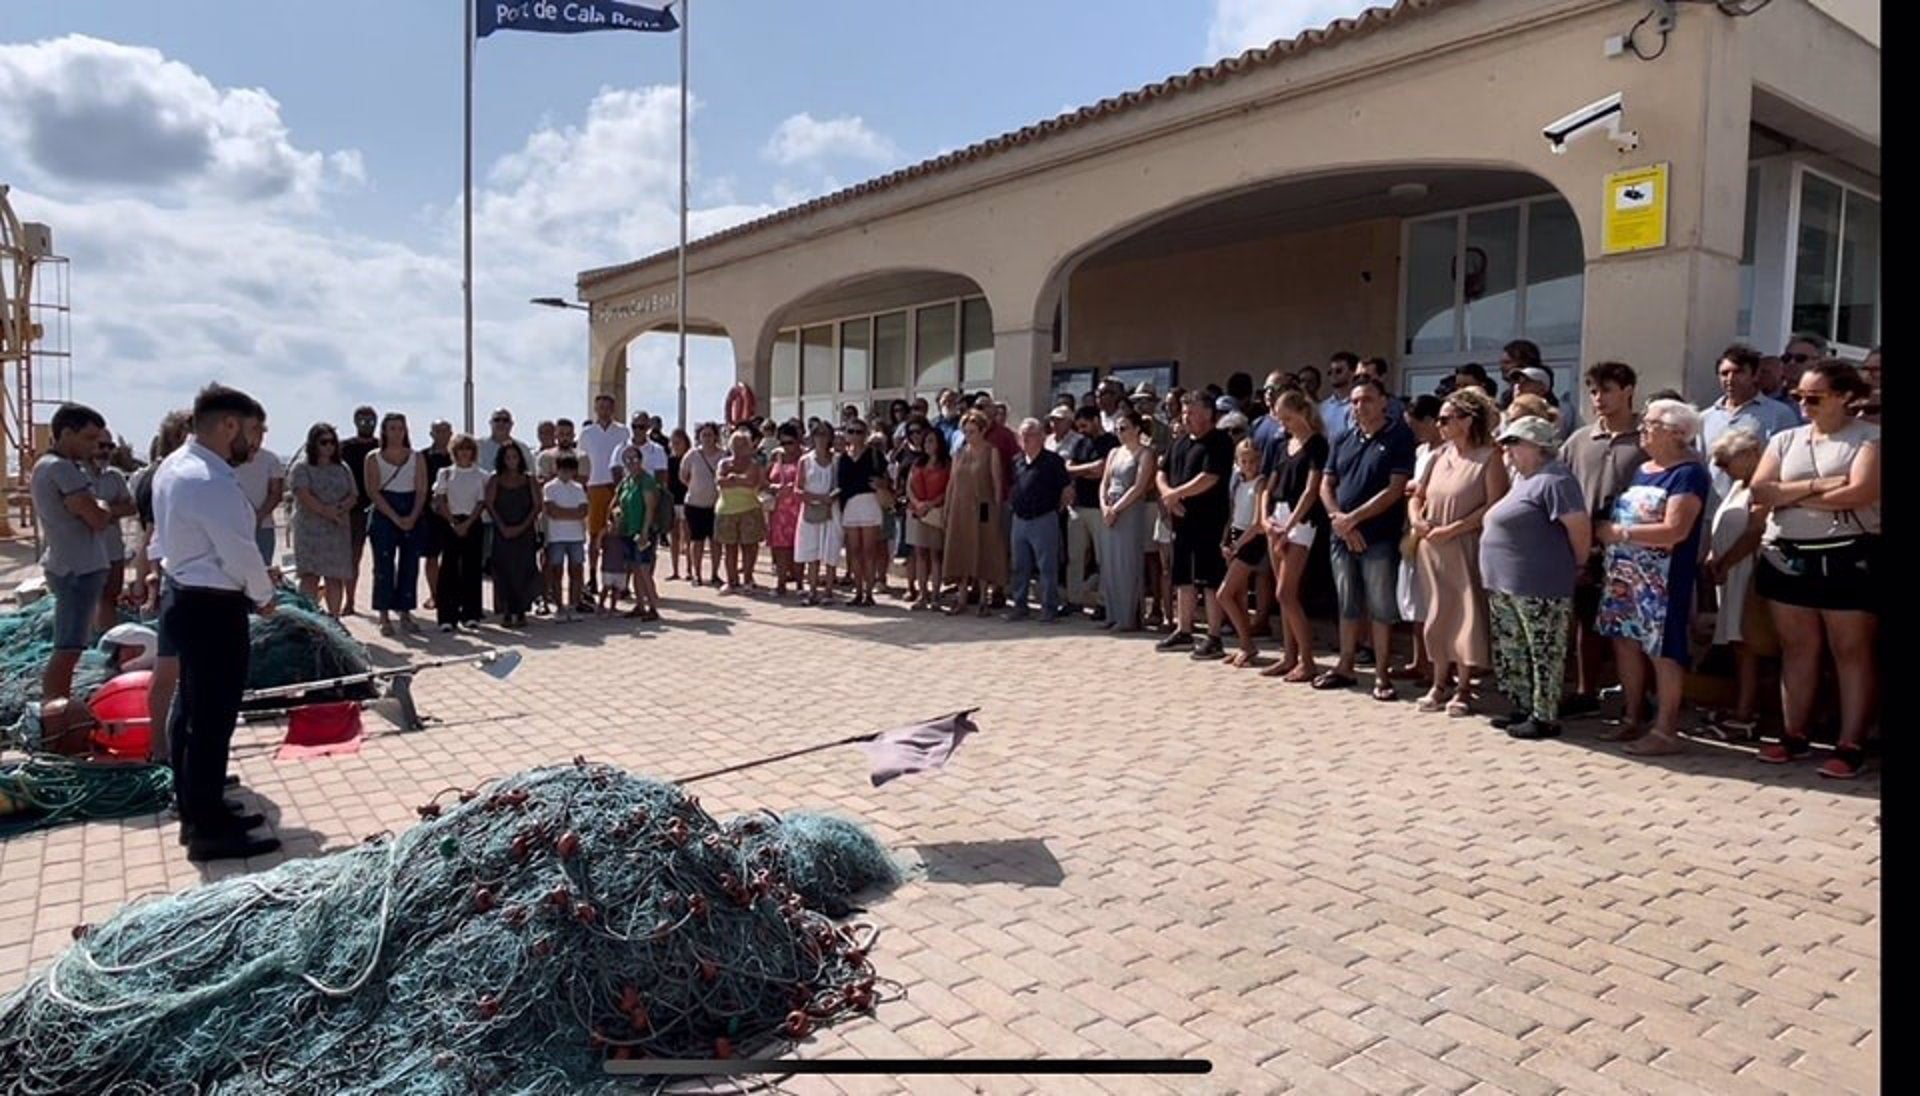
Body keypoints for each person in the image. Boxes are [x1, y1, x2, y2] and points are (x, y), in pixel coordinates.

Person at [151, 384, 279, 861]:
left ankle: (199, 806)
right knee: (211, 720)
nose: (256, 442)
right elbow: (238, 551)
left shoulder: (175, 467)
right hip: (211, 607)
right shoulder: (210, 481)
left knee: (191, 712)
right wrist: (264, 596)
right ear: (228, 426)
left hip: (186, 595)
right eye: (251, 430)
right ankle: (206, 830)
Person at [1750, 360, 1880, 779]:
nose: (1803, 404)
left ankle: (1851, 742)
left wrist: (1789, 496)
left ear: (1844, 396)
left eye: (1814, 397)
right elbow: (1759, 490)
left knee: (1851, 650)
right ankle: (1794, 734)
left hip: (1848, 555)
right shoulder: (1785, 439)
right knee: (1797, 648)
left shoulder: (1870, 439)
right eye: (1799, 396)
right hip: (1787, 553)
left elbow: (1859, 493)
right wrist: (1818, 486)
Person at [1594, 398, 1712, 756]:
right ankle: (1631, 717)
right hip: (1625, 576)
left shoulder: (1688, 474)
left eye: (1651, 424)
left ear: (1677, 433)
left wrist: (1620, 534)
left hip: (1662, 580)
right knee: (1625, 643)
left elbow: (1676, 529)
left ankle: (1666, 729)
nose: (1643, 429)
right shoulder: (1643, 469)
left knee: (1663, 650)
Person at [1480, 416, 1590, 740]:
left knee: (1544, 650)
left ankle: (1544, 716)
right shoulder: (1524, 480)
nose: (1508, 450)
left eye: (1515, 443)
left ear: (1539, 447)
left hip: (1540, 584)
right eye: (1506, 444)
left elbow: (1578, 529)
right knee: (1515, 649)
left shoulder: (1556, 480)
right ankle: (1524, 706)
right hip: (1507, 584)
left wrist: (1579, 565)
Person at [1408, 388, 1509, 716]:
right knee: (1437, 612)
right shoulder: (1438, 455)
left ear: (1467, 420)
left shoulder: (1489, 456)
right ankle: (1439, 681)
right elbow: (1416, 495)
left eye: (1446, 419)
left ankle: (1464, 686)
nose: (1439, 424)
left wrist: (1455, 529)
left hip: (1466, 543)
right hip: (1431, 545)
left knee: (1466, 614)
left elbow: (1494, 505)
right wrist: (1416, 520)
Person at [1315, 377, 1416, 700]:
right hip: (1341, 536)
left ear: (1383, 401)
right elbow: (1326, 484)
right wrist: (1338, 520)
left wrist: (1354, 519)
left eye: (1368, 399)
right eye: (1356, 401)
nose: (1360, 406)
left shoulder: (1399, 436)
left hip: (1379, 537)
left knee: (1380, 607)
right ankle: (1345, 666)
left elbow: (1395, 488)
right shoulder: (1343, 438)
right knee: (1347, 604)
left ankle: (1382, 675)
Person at [1559, 361, 1646, 717]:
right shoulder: (1579, 440)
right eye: (1594, 391)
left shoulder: (1649, 438)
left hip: (1636, 546)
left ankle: (1639, 698)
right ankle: (1585, 692)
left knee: (1634, 627)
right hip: (1588, 544)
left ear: (1628, 390)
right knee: (1587, 620)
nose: (1599, 398)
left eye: (1607, 389)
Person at [32, 403, 112, 714]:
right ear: (66, 433)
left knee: (70, 645)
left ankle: (56, 712)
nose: (94, 446)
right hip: (77, 568)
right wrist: (103, 506)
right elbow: (95, 517)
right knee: (68, 647)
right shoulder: (61, 469)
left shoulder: (45, 466)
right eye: (89, 438)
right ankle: (57, 716)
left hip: (68, 564)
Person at [1698, 426, 1772, 743]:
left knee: (1748, 645)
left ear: (1750, 454)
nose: (1722, 469)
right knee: (1737, 645)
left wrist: (1725, 562)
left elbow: (1754, 532)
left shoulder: (1762, 487)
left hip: (1747, 573)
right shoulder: (1738, 485)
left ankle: (1746, 714)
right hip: (1729, 574)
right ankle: (1739, 706)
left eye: (1727, 461)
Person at [1155, 392, 1236, 658]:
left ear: (1209, 414)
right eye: (1184, 412)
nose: (1185, 417)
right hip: (1180, 520)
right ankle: (1184, 630)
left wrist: (1177, 495)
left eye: (1191, 412)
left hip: (1209, 521)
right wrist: (1168, 494)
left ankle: (1214, 636)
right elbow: (1161, 472)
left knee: (1209, 579)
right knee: (1182, 577)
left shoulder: (1220, 442)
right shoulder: (1179, 442)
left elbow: (1209, 477)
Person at [1256, 392, 1327, 682]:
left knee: (1286, 592)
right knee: (1282, 594)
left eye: (1288, 417)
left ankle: (1307, 659)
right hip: (1278, 516)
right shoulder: (1282, 444)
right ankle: (1289, 656)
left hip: (1302, 521)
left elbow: (1312, 491)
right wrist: (1265, 519)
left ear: (1302, 412)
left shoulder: (1317, 445)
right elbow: (1267, 485)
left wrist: (1290, 525)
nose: (1284, 423)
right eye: (1280, 419)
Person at [1202, 439, 1269, 667]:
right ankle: (1244, 644)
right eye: (1244, 461)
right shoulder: (1238, 483)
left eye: (1253, 460)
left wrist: (1238, 545)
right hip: (1236, 536)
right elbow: (1233, 515)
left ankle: (1249, 645)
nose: (1248, 465)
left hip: (1251, 540)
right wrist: (1225, 542)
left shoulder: (1261, 483)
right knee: (1238, 596)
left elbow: (1257, 522)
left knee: (1224, 594)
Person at [363, 413, 427, 637]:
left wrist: (412, 515)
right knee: (383, 565)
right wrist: (394, 516)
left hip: (411, 508)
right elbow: (373, 491)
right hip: (384, 511)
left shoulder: (416, 457)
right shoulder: (373, 457)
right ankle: (383, 615)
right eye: (392, 428)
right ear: (384, 431)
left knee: (410, 565)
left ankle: (406, 612)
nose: (396, 432)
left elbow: (421, 489)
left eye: (400, 428)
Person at [1395, 395, 1444, 686]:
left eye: (1416, 425)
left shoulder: (1448, 451)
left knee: (1434, 600)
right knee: (1414, 598)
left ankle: (1439, 665)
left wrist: (1416, 487)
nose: (1414, 431)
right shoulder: (1421, 450)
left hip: (1435, 528)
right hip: (1413, 526)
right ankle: (1419, 659)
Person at [1095, 410, 1157, 633]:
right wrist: (1104, 506)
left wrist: (1117, 508)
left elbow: (1139, 487)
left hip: (1129, 510)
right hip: (1110, 508)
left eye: (1124, 428)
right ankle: (1112, 613)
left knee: (1127, 563)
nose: (1119, 433)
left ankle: (1128, 617)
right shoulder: (1113, 452)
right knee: (1110, 563)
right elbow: (1104, 482)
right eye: (1117, 429)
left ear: (1137, 429)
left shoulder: (1145, 453)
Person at [940, 410, 1008, 616]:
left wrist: (996, 511)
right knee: (959, 548)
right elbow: (952, 482)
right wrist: (947, 507)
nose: (968, 435)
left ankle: (982, 600)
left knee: (985, 547)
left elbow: (996, 484)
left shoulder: (991, 451)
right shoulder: (959, 453)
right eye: (965, 431)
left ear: (982, 431)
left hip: (984, 507)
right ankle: (960, 598)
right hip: (960, 507)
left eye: (972, 431)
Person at [1006, 418, 1072, 622]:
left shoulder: (1053, 461)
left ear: (1042, 437)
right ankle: (1020, 605)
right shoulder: (1016, 460)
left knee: (1047, 567)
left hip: (1044, 519)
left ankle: (1049, 608)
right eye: (1023, 434)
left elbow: (1067, 490)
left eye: (1031, 434)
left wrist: (1055, 510)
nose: (1026, 438)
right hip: (1020, 519)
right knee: (1020, 566)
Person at [290, 423, 356, 615]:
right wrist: (326, 511)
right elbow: (303, 494)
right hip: (310, 530)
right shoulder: (302, 467)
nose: (329, 447)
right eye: (324, 442)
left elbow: (353, 494)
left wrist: (340, 509)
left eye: (332, 442)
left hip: (337, 530)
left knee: (334, 577)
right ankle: (308, 618)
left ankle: (334, 618)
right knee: (310, 577)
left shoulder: (342, 467)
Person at [1062, 407, 1118, 618]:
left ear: (1096, 420)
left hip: (1099, 507)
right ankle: (1073, 599)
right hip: (1078, 506)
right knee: (1074, 556)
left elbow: (1103, 472)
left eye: (1085, 425)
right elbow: (1068, 468)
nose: (1082, 430)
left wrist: (1083, 470)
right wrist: (1088, 468)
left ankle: (1103, 602)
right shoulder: (1080, 442)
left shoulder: (1111, 442)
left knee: (1102, 557)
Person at [431, 434, 489, 632]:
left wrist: (467, 524)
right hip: (451, 522)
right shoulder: (445, 473)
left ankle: (471, 614)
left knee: (472, 570)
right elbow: (440, 500)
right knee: (448, 569)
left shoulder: (481, 475)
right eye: (461, 449)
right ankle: (447, 616)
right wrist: (453, 522)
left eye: (468, 449)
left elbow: (482, 502)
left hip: (472, 522)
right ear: (454, 452)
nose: (465, 453)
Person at [484, 442, 540, 628]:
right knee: (503, 572)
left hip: (525, 531)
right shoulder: (495, 479)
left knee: (524, 571)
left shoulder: (529, 479)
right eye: (507, 457)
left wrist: (523, 526)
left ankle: (522, 611)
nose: (511, 461)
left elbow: (537, 505)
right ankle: (507, 611)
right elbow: (490, 504)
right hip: (502, 532)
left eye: (514, 457)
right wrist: (503, 527)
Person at [580, 394, 631, 593]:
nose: (604, 410)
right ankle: (592, 577)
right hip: (594, 486)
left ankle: (621, 581)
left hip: (617, 486)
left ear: (613, 408)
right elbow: (582, 461)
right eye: (600, 406)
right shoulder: (587, 433)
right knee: (594, 535)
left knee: (619, 534)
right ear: (595, 408)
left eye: (607, 406)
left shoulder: (623, 431)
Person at [87, 435, 136, 634]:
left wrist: (104, 512)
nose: (105, 451)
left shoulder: (115, 476)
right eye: (101, 446)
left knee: (110, 596)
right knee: (88, 599)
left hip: (113, 549)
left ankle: (104, 639)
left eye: (110, 446)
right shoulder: (75, 475)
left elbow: (131, 507)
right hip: (86, 550)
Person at [835, 421, 887, 606]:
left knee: (869, 550)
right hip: (850, 505)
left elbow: (885, 479)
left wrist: (881, 485)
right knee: (854, 550)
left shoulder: (875, 455)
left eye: (859, 432)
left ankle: (869, 593)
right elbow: (840, 485)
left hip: (869, 502)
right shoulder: (842, 458)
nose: (855, 435)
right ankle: (858, 591)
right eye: (851, 431)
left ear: (865, 434)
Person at [794, 422, 845, 606]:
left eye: (825, 434)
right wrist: (817, 498)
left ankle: (829, 591)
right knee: (811, 551)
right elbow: (797, 489)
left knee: (831, 550)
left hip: (832, 510)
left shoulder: (837, 459)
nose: (821, 438)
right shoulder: (805, 460)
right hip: (810, 510)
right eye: (818, 434)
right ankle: (813, 591)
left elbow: (841, 484)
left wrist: (830, 497)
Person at [613, 445, 665, 621]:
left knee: (644, 569)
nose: (631, 462)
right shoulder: (626, 481)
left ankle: (653, 607)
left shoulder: (646, 480)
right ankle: (640, 605)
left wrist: (644, 531)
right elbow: (618, 502)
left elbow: (650, 508)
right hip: (628, 530)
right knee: (634, 569)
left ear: (641, 460)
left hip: (643, 532)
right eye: (627, 459)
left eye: (634, 459)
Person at [715, 427, 768, 592]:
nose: (739, 448)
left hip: (749, 509)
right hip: (726, 510)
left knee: (749, 547)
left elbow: (752, 482)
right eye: (736, 445)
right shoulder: (724, 463)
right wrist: (739, 480)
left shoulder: (754, 464)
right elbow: (720, 481)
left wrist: (734, 478)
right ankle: (731, 581)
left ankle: (748, 579)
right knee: (729, 548)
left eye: (743, 445)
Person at [339, 406, 380, 615]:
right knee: (352, 557)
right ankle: (350, 601)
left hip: (381, 508)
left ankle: (383, 603)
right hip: (354, 510)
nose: (367, 424)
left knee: (382, 559)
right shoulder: (344, 447)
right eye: (363, 420)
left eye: (370, 420)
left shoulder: (382, 446)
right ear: (355, 421)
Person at [907, 423, 952, 611]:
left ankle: (935, 595)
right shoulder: (917, 463)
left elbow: (949, 488)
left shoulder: (946, 464)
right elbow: (908, 486)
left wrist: (931, 504)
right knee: (920, 554)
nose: (927, 444)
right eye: (926, 441)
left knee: (935, 554)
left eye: (931, 440)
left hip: (935, 513)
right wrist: (917, 503)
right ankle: (922, 594)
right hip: (916, 512)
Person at [543, 454, 590, 622]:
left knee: (576, 571)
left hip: (576, 536)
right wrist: (572, 513)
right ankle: (559, 607)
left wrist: (563, 512)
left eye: (570, 469)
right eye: (563, 469)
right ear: (557, 469)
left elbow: (583, 511)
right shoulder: (549, 487)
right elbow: (552, 512)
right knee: (557, 572)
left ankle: (573, 605)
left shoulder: (578, 488)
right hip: (556, 537)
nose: (566, 473)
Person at [680, 423, 724, 586]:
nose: (707, 438)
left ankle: (715, 574)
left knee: (716, 541)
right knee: (696, 540)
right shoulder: (692, 455)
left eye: (710, 435)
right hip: (694, 504)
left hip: (716, 504)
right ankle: (696, 574)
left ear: (715, 436)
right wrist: (695, 487)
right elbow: (683, 475)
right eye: (703, 435)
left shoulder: (723, 455)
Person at [766, 423, 806, 596]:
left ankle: (799, 583)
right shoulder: (776, 456)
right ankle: (781, 582)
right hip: (780, 509)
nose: (787, 446)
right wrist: (774, 488)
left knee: (799, 546)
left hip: (799, 507)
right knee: (780, 547)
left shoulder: (805, 457)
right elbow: (764, 479)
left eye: (790, 442)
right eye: (783, 443)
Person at [418, 420, 453, 610]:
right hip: (428, 514)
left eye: (445, 431)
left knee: (452, 558)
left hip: (454, 512)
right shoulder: (422, 457)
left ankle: (452, 594)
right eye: (438, 431)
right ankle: (435, 595)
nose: (442, 434)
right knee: (431, 557)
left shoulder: (458, 456)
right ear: (431, 434)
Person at [666, 428, 691, 580]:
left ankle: (689, 569)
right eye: (673, 442)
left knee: (687, 535)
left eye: (678, 442)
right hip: (672, 500)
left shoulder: (689, 459)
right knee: (673, 536)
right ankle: (675, 570)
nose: (675, 445)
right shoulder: (668, 460)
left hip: (687, 500)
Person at [1318, 351, 1360, 440]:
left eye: (1338, 371)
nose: (1333, 375)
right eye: (1330, 372)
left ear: (1353, 373)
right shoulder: (1323, 407)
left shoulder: (1359, 405)